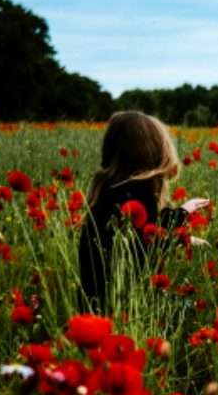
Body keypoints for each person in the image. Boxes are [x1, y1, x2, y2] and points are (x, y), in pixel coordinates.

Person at [78, 111, 209, 313]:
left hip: (94, 301)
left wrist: (183, 224)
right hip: (122, 302)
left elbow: (144, 231)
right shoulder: (139, 190)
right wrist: (181, 219)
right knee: (194, 309)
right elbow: (147, 246)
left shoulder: (111, 188)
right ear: (151, 150)